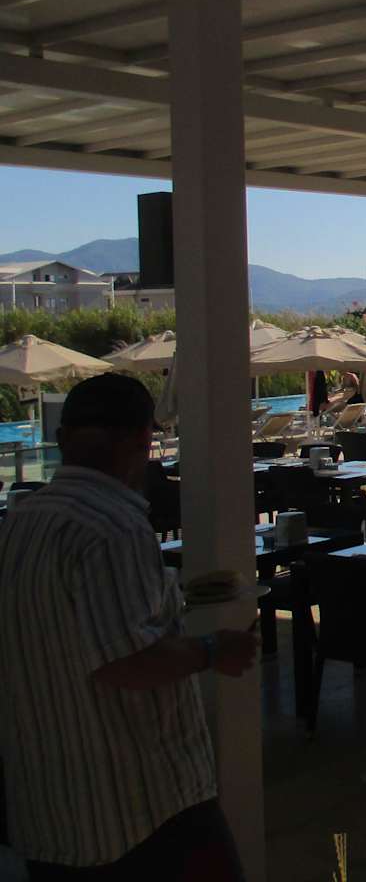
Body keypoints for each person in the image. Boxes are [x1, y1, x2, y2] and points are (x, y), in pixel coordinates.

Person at [0, 374, 258, 880]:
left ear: (61, 439)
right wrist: (212, 650)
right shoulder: (114, 528)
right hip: (139, 803)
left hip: (45, 803)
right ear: (142, 440)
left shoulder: (19, 524)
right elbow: (127, 661)